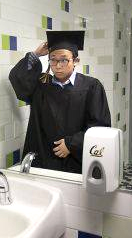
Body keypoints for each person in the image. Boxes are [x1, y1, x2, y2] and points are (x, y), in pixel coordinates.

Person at [9, 30, 111, 174]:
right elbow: (18, 79)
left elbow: (100, 126)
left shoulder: (91, 86)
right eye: (53, 59)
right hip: (42, 161)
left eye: (64, 60)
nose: (57, 65)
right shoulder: (41, 85)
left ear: (76, 60)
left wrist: (71, 144)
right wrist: (35, 55)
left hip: (75, 162)